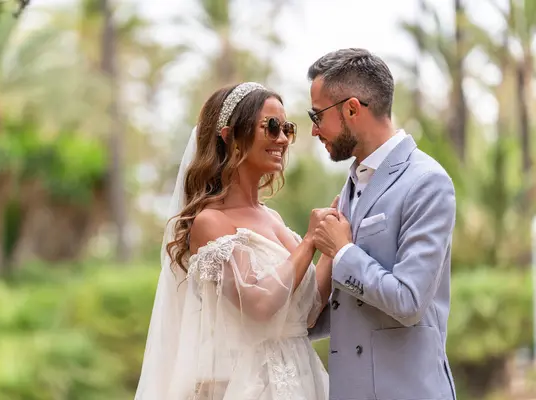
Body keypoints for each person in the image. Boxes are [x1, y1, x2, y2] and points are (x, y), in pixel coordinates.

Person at [135, 82, 333, 400]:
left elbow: (306, 313)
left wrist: (334, 248)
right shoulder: (211, 222)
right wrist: (310, 241)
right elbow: (260, 304)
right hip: (250, 386)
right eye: (270, 127)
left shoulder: (274, 219)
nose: (282, 139)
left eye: (287, 128)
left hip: (301, 378)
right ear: (229, 136)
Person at [307, 48, 457, 400]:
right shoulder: (349, 187)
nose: (314, 130)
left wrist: (342, 251)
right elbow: (344, 306)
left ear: (352, 109)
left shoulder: (427, 182)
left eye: (317, 116)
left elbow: (408, 302)